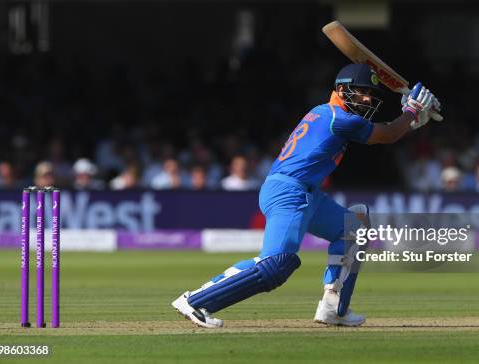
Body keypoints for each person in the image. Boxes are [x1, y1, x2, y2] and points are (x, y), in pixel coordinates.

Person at [172, 64, 441, 328]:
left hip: (306, 193)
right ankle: (196, 300)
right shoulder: (338, 118)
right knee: (276, 265)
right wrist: (411, 112)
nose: (368, 98)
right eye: (361, 92)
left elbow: (388, 131)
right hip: (289, 191)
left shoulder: (327, 114)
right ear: (341, 89)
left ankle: (333, 308)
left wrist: (410, 120)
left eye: (370, 94)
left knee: (354, 228)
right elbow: (388, 134)